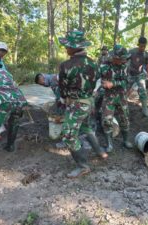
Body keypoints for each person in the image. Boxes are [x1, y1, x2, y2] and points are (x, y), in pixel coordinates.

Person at [58, 30, 107, 178]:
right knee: (86, 127)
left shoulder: (66, 65)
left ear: (74, 48)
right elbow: (97, 81)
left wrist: (63, 99)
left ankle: (83, 166)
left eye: (67, 46)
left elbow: (63, 88)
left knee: (69, 135)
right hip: (89, 102)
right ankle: (100, 152)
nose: (66, 49)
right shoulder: (94, 63)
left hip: (76, 104)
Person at [99, 45, 133, 152]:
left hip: (121, 96)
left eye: (124, 59)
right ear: (115, 58)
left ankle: (126, 141)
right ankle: (109, 145)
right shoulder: (104, 65)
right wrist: (105, 84)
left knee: (125, 119)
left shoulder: (125, 65)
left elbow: (127, 81)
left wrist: (113, 83)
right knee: (107, 120)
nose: (123, 61)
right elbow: (102, 81)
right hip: (109, 97)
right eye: (121, 59)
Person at [127, 37, 148, 117]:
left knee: (143, 93)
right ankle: (122, 108)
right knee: (125, 91)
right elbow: (124, 61)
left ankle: (145, 111)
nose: (142, 48)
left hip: (140, 75)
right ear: (138, 45)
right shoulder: (132, 52)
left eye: (144, 46)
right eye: (141, 46)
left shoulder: (146, 55)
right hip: (130, 74)